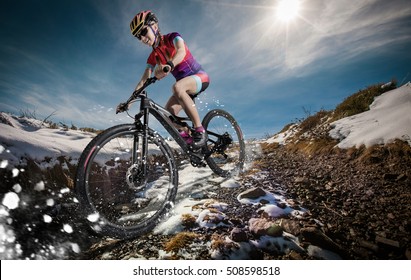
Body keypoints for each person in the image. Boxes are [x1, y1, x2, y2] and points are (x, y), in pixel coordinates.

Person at [129, 10, 210, 148]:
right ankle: (188, 137)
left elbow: (181, 51)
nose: (142, 39)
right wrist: (129, 100)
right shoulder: (153, 56)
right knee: (167, 115)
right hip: (184, 87)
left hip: (199, 77)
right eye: (138, 37)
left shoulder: (172, 37)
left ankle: (200, 130)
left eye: (143, 32)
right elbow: (143, 80)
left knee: (177, 87)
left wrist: (169, 64)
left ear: (154, 26)